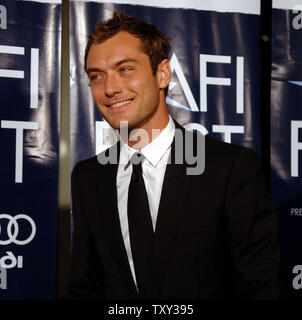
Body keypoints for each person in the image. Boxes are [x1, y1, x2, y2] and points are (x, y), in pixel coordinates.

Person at [67, 10, 281, 300]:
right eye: (96, 76)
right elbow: (85, 288)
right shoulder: (88, 177)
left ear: (163, 74)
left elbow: (262, 288)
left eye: (126, 69)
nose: (110, 88)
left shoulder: (229, 169)